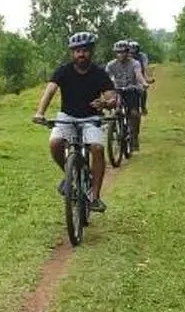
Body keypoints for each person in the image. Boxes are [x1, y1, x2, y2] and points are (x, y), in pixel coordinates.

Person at [36, 30, 118, 211]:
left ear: (91, 51)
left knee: (97, 148)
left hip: (91, 118)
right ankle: (70, 174)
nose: (81, 54)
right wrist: (40, 113)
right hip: (67, 117)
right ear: (72, 53)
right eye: (77, 50)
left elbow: (112, 99)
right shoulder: (63, 71)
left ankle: (95, 197)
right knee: (55, 144)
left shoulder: (99, 73)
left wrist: (105, 103)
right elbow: (49, 91)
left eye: (85, 50)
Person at [108, 39, 151, 143]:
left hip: (131, 90)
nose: (120, 54)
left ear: (127, 52)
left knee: (134, 113)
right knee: (111, 105)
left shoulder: (135, 63)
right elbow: (106, 77)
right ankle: (115, 125)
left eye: (122, 52)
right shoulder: (111, 65)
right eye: (117, 52)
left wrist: (144, 83)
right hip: (117, 90)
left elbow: (138, 74)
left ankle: (134, 135)